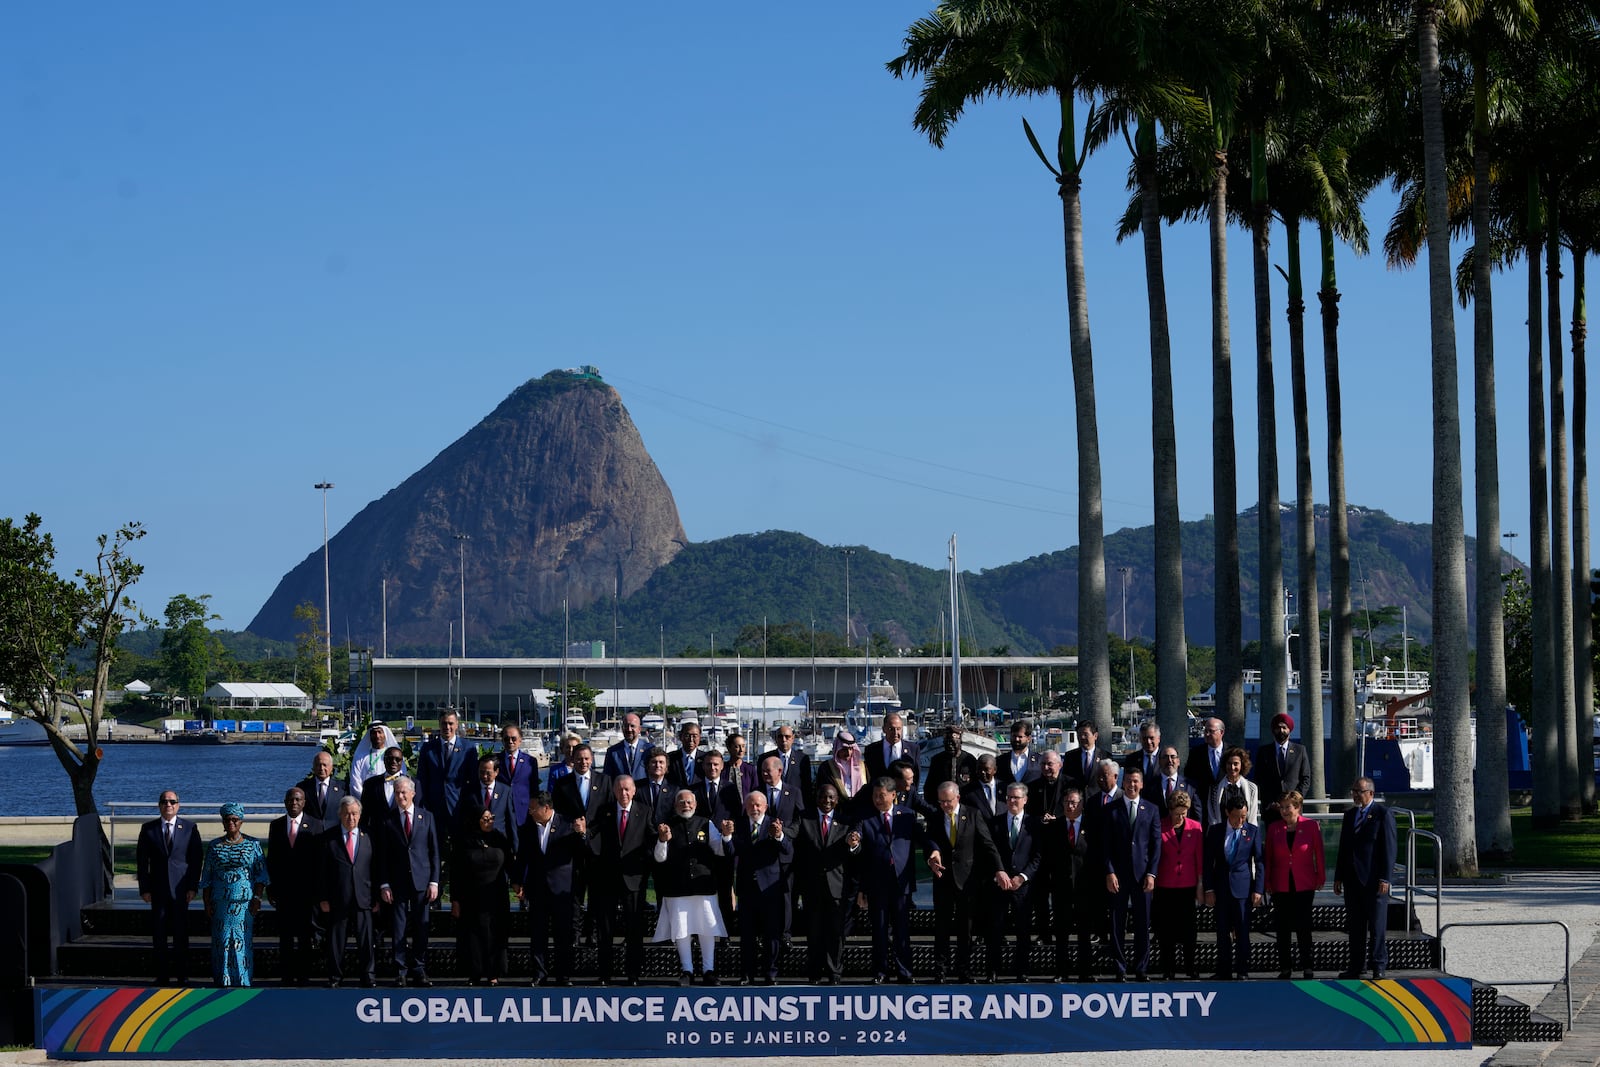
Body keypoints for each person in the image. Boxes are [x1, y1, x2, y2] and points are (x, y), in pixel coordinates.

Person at [651, 790, 728, 985]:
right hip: (677, 887)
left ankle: (708, 970)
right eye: (682, 802)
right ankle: (687, 970)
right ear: (676, 805)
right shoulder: (666, 825)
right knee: (682, 930)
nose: (686, 805)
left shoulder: (706, 823)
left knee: (707, 928)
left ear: (695, 804)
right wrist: (662, 840)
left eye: (689, 802)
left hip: (704, 885)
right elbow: (660, 857)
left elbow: (719, 849)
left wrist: (726, 836)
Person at [926, 781, 1000, 983]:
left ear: (957, 798)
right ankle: (940, 971)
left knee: (965, 929)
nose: (945, 806)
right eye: (941, 802)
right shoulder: (935, 816)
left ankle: (964, 970)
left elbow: (987, 844)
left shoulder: (973, 814)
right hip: (942, 880)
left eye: (948, 801)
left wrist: (999, 869)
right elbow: (929, 841)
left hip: (967, 881)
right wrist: (932, 854)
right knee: (941, 928)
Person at [513, 791, 583, 987]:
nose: (530, 812)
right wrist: (517, 880)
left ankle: (563, 975)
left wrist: (582, 834)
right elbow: (522, 856)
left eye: (533, 809)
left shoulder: (568, 824)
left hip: (562, 890)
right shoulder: (528, 828)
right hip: (537, 889)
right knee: (538, 935)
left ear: (546, 808)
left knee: (563, 935)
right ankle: (539, 974)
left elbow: (582, 852)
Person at [588, 776, 652, 985]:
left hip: (633, 879)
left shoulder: (645, 811)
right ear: (614, 791)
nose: (623, 794)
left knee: (634, 929)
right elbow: (593, 837)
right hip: (607, 879)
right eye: (619, 790)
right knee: (605, 930)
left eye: (627, 789)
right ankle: (605, 974)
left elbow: (650, 841)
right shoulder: (604, 811)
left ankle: (633, 974)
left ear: (634, 791)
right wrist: (582, 833)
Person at [724, 791, 792, 986]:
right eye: (751, 805)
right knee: (747, 935)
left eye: (758, 805)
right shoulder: (739, 824)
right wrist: (727, 837)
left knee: (772, 934)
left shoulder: (774, 823)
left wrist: (779, 836)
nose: (755, 808)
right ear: (746, 807)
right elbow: (731, 852)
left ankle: (771, 973)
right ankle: (747, 974)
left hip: (770, 888)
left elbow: (788, 850)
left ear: (765, 807)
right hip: (747, 889)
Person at [197, 802, 269, 987]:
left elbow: (261, 875)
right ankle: (223, 980)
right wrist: (206, 902)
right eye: (227, 819)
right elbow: (207, 876)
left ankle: (243, 980)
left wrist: (257, 899)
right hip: (221, 903)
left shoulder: (253, 845)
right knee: (222, 942)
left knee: (242, 942)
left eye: (235, 819)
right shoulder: (214, 846)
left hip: (244, 904)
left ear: (241, 821)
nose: (231, 823)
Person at [135, 789, 202, 986]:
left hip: (182, 891)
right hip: (157, 890)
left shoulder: (189, 828)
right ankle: (162, 976)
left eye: (172, 801)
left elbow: (196, 860)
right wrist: (144, 889)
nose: (168, 805)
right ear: (159, 805)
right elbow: (141, 862)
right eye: (164, 802)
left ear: (178, 805)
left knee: (181, 935)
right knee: (159, 935)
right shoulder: (148, 829)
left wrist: (192, 887)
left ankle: (182, 975)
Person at [378, 777, 439, 988]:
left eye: (404, 792)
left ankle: (419, 968)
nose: (400, 796)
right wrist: (384, 884)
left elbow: (434, 853)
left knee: (421, 928)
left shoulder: (427, 817)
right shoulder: (388, 820)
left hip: (422, 882)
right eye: (397, 793)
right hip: (397, 883)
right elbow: (383, 856)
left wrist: (434, 882)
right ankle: (401, 970)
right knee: (399, 928)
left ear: (413, 793)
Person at [1101, 765, 1161, 981]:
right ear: (1122, 782)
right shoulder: (1110, 809)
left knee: (1143, 924)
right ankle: (1119, 967)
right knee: (1117, 924)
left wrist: (1152, 874)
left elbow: (1156, 846)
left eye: (1136, 781)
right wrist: (1109, 872)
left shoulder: (1152, 809)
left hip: (1143, 876)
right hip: (1118, 876)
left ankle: (1141, 968)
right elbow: (1105, 845)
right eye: (1128, 781)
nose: (1132, 785)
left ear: (1142, 784)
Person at [1334, 777, 1397, 979]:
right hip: (1352, 880)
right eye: (1353, 791)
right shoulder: (1350, 815)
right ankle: (1356, 965)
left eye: (1359, 791)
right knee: (1355, 926)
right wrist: (1338, 876)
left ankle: (1378, 965)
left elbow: (1389, 849)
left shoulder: (1383, 814)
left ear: (1370, 793)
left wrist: (1385, 878)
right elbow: (1343, 848)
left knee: (1377, 926)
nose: (1355, 795)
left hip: (1374, 880)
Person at [794, 782, 855, 985]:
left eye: (831, 797)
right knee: (814, 933)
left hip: (837, 887)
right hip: (812, 887)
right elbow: (792, 834)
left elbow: (855, 851)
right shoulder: (805, 818)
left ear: (837, 800)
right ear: (816, 798)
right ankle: (814, 973)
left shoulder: (846, 822)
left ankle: (834, 973)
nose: (826, 801)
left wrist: (854, 845)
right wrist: (779, 832)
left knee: (836, 934)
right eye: (822, 797)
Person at [1265, 790, 1325, 979]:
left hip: (1304, 884)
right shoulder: (1274, 828)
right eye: (1281, 807)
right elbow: (1268, 858)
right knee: (1282, 929)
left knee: (1303, 927)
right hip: (1280, 884)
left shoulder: (1311, 826)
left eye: (1287, 807)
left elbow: (1319, 854)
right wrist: (1267, 881)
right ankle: (1285, 967)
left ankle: (1307, 965)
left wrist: (1320, 877)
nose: (1283, 811)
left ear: (1298, 807)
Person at [1204, 792, 1264, 980]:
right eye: (1237, 816)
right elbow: (1207, 862)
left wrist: (1258, 890)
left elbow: (1260, 862)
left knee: (1243, 932)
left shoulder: (1252, 831)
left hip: (1243, 889)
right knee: (1222, 932)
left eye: (1243, 816)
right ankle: (1224, 970)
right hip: (1221, 889)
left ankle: (1242, 970)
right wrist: (1209, 888)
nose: (1240, 820)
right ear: (1227, 813)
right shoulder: (1215, 831)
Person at [318, 796, 377, 988]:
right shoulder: (329, 838)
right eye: (346, 814)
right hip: (338, 898)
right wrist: (324, 897)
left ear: (360, 815)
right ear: (340, 815)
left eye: (354, 813)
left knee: (366, 941)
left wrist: (376, 897)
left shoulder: (369, 837)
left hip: (364, 898)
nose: (350, 817)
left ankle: (368, 975)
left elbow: (375, 869)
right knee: (336, 941)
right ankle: (335, 976)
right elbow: (322, 871)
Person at [451, 807, 514, 986]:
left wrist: (518, 884)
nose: (489, 822)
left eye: (491, 818)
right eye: (485, 819)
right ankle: (475, 973)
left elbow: (510, 863)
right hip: (471, 896)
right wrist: (455, 900)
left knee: (496, 934)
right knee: (474, 937)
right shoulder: (464, 840)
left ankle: (493, 973)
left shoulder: (499, 838)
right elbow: (456, 872)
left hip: (496, 895)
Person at [986, 782, 1042, 982]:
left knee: (1023, 931)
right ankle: (993, 970)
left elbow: (1038, 856)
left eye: (1016, 798)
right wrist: (998, 873)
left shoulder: (1034, 824)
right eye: (1009, 797)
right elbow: (989, 852)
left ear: (1025, 800)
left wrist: (1023, 877)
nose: (1012, 801)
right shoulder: (994, 823)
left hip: (1023, 887)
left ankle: (1021, 971)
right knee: (995, 929)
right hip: (999, 884)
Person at [266, 786, 321, 985]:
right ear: (285, 802)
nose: (294, 803)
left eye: (298, 800)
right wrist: (271, 886)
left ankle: (304, 976)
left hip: (307, 893)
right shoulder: (276, 826)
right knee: (286, 937)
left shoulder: (316, 825)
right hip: (284, 892)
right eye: (290, 800)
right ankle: (287, 976)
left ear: (304, 803)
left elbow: (319, 862)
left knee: (306, 937)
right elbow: (272, 858)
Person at [1046, 788, 1096, 981]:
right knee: (1062, 933)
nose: (1070, 806)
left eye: (1074, 802)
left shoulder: (1091, 826)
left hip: (1085, 888)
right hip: (1061, 888)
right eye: (1067, 802)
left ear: (1081, 805)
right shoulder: (1054, 827)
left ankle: (1086, 972)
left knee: (1084, 933)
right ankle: (1062, 972)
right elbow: (1048, 858)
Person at [1153, 789, 1203, 980]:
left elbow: (1199, 857)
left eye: (1184, 813)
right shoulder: (1160, 826)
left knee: (1189, 931)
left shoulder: (1196, 828)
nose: (1180, 817)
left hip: (1188, 886)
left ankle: (1190, 968)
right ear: (1170, 810)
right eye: (1177, 813)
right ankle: (1168, 969)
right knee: (1167, 930)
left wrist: (1200, 884)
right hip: (1166, 886)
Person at [416, 711, 477, 851]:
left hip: (458, 807)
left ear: (456, 725)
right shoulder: (428, 748)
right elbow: (422, 779)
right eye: (444, 723)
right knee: (434, 849)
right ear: (439, 725)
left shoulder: (469, 749)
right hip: (434, 808)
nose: (447, 727)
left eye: (450, 723)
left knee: (460, 850)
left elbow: (472, 780)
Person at [1254, 713, 1311, 825]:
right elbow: (1259, 779)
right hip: (1272, 810)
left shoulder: (1300, 750)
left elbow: (1305, 779)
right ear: (1273, 730)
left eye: (1284, 727)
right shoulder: (1264, 752)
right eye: (1278, 727)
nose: (1281, 730)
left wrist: (1294, 801)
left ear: (1289, 730)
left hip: (1293, 810)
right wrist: (1271, 802)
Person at [459, 753, 519, 849]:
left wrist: (515, 847)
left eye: (488, 773)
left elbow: (510, 820)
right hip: (476, 844)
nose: (484, 776)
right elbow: (463, 817)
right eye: (481, 772)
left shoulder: (505, 791)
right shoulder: (469, 790)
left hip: (499, 843)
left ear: (496, 772)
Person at [813, 730, 868, 819]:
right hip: (837, 813)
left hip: (860, 812)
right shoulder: (827, 767)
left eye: (850, 749)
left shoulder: (862, 766)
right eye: (844, 749)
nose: (848, 752)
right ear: (837, 748)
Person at [761, 723, 814, 810]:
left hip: (795, 806)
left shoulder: (802, 759)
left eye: (787, 737)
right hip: (771, 805)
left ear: (793, 738)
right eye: (780, 737)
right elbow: (761, 783)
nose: (783, 740)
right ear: (776, 739)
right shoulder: (765, 758)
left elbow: (806, 786)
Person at [1184, 717, 1228, 820]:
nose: (1207, 734)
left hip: (1226, 807)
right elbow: (1189, 778)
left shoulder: (1231, 752)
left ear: (1221, 732)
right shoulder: (1196, 753)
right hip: (1203, 807)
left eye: (1211, 731)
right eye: (1205, 731)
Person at [924, 724, 978, 806]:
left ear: (960, 741)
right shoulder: (937, 760)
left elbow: (976, 786)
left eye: (953, 743)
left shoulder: (969, 760)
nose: (950, 746)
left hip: (965, 806)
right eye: (947, 743)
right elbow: (929, 787)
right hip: (943, 806)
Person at [497, 723, 540, 825]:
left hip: (523, 812)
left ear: (520, 740)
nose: (510, 742)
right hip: (501, 812)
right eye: (506, 739)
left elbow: (534, 789)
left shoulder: (530, 761)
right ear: (502, 740)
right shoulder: (496, 761)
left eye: (514, 738)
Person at [865, 711, 920, 790]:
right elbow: (870, 777)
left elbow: (916, 778)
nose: (895, 733)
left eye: (898, 729)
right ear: (884, 729)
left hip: (904, 797)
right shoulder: (871, 750)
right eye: (891, 729)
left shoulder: (913, 749)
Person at [1207, 747, 1260, 827]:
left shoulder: (1252, 788)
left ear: (1242, 765)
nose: (1232, 767)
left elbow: (1252, 817)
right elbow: (1212, 817)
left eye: (1236, 764)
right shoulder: (1215, 788)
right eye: (1229, 763)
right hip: (1221, 833)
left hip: (1244, 834)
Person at [358, 747, 407, 832]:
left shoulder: (412, 783)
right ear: (384, 760)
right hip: (377, 837)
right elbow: (364, 815)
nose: (393, 762)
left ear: (402, 762)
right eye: (390, 758)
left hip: (402, 836)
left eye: (397, 759)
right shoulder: (370, 784)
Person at [348, 722, 402, 793]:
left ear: (385, 734)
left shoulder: (394, 756)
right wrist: (366, 800)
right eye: (374, 733)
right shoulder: (360, 756)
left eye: (380, 732)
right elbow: (355, 783)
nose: (377, 735)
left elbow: (401, 777)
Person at [297, 750, 347, 825]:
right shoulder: (303, 787)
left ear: (331, 767)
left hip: (334, 833)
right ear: (313, 767)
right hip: (310, 833)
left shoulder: (343, 788)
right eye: (318, 765)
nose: (321, 768)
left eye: (325, 765)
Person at [1152, 745, 1202, 814]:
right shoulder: (1150, 785)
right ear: (1159, 762)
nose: (1169, 760)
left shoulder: (1191, 786)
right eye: (1165, 757)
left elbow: (1197, 814)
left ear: (1178, 761)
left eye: (1173, 757)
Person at [603, 712, 652, 782]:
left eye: (632, 726)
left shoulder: (649, 749)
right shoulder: (612, 752)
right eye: (626, 726)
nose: (629, 729)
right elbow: (607, 779)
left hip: (642, 792)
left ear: (639, 729)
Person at [1065, 720, 1109, 791]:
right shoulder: (1070, 756)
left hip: (1097, 799)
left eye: (1085, 734)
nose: (1082, 737)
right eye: (1079, 734)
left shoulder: (1105, 756)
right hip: (1077, 799)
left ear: (1095, 736)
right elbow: (1066, 780)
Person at [997, 720, 1042, 786]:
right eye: (1014, 736)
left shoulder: (1039, 760)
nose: (1016, 739)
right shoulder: (1000, 761)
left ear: (1028, 738)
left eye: (1020, 737)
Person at [637, 749, 676, 823]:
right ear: (647, 765)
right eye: (654, 762)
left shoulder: (674, 790)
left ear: (666, 767)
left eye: (661, 762)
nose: (658, 765)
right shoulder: (637, 787)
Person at [666, 720, 704, 789]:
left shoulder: (705, 758)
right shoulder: (670, 758)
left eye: (694, 736)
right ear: (681, 737)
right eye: (687, 735)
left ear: (699, 738)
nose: (691, 739)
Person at [725, 732, 758, 796]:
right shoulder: (723, 769)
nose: (741, 750)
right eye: (737, 746)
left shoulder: (750, 769)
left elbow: (755, 791)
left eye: (743, 746)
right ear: (729, 748)